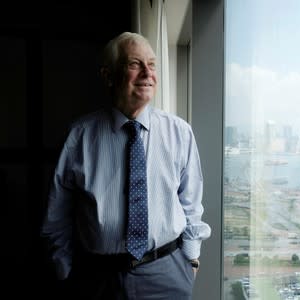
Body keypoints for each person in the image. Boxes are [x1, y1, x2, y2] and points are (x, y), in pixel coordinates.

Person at [41, 31, 211, 300]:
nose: (147, 73)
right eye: (134, 64)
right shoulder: (79, 136)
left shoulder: (180, 132)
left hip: (166, 275)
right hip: (96, 278)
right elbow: (56, 214)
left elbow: (191, 203)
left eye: (152, 64)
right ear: (108, 76)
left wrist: (190, 260)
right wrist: (65, 270)